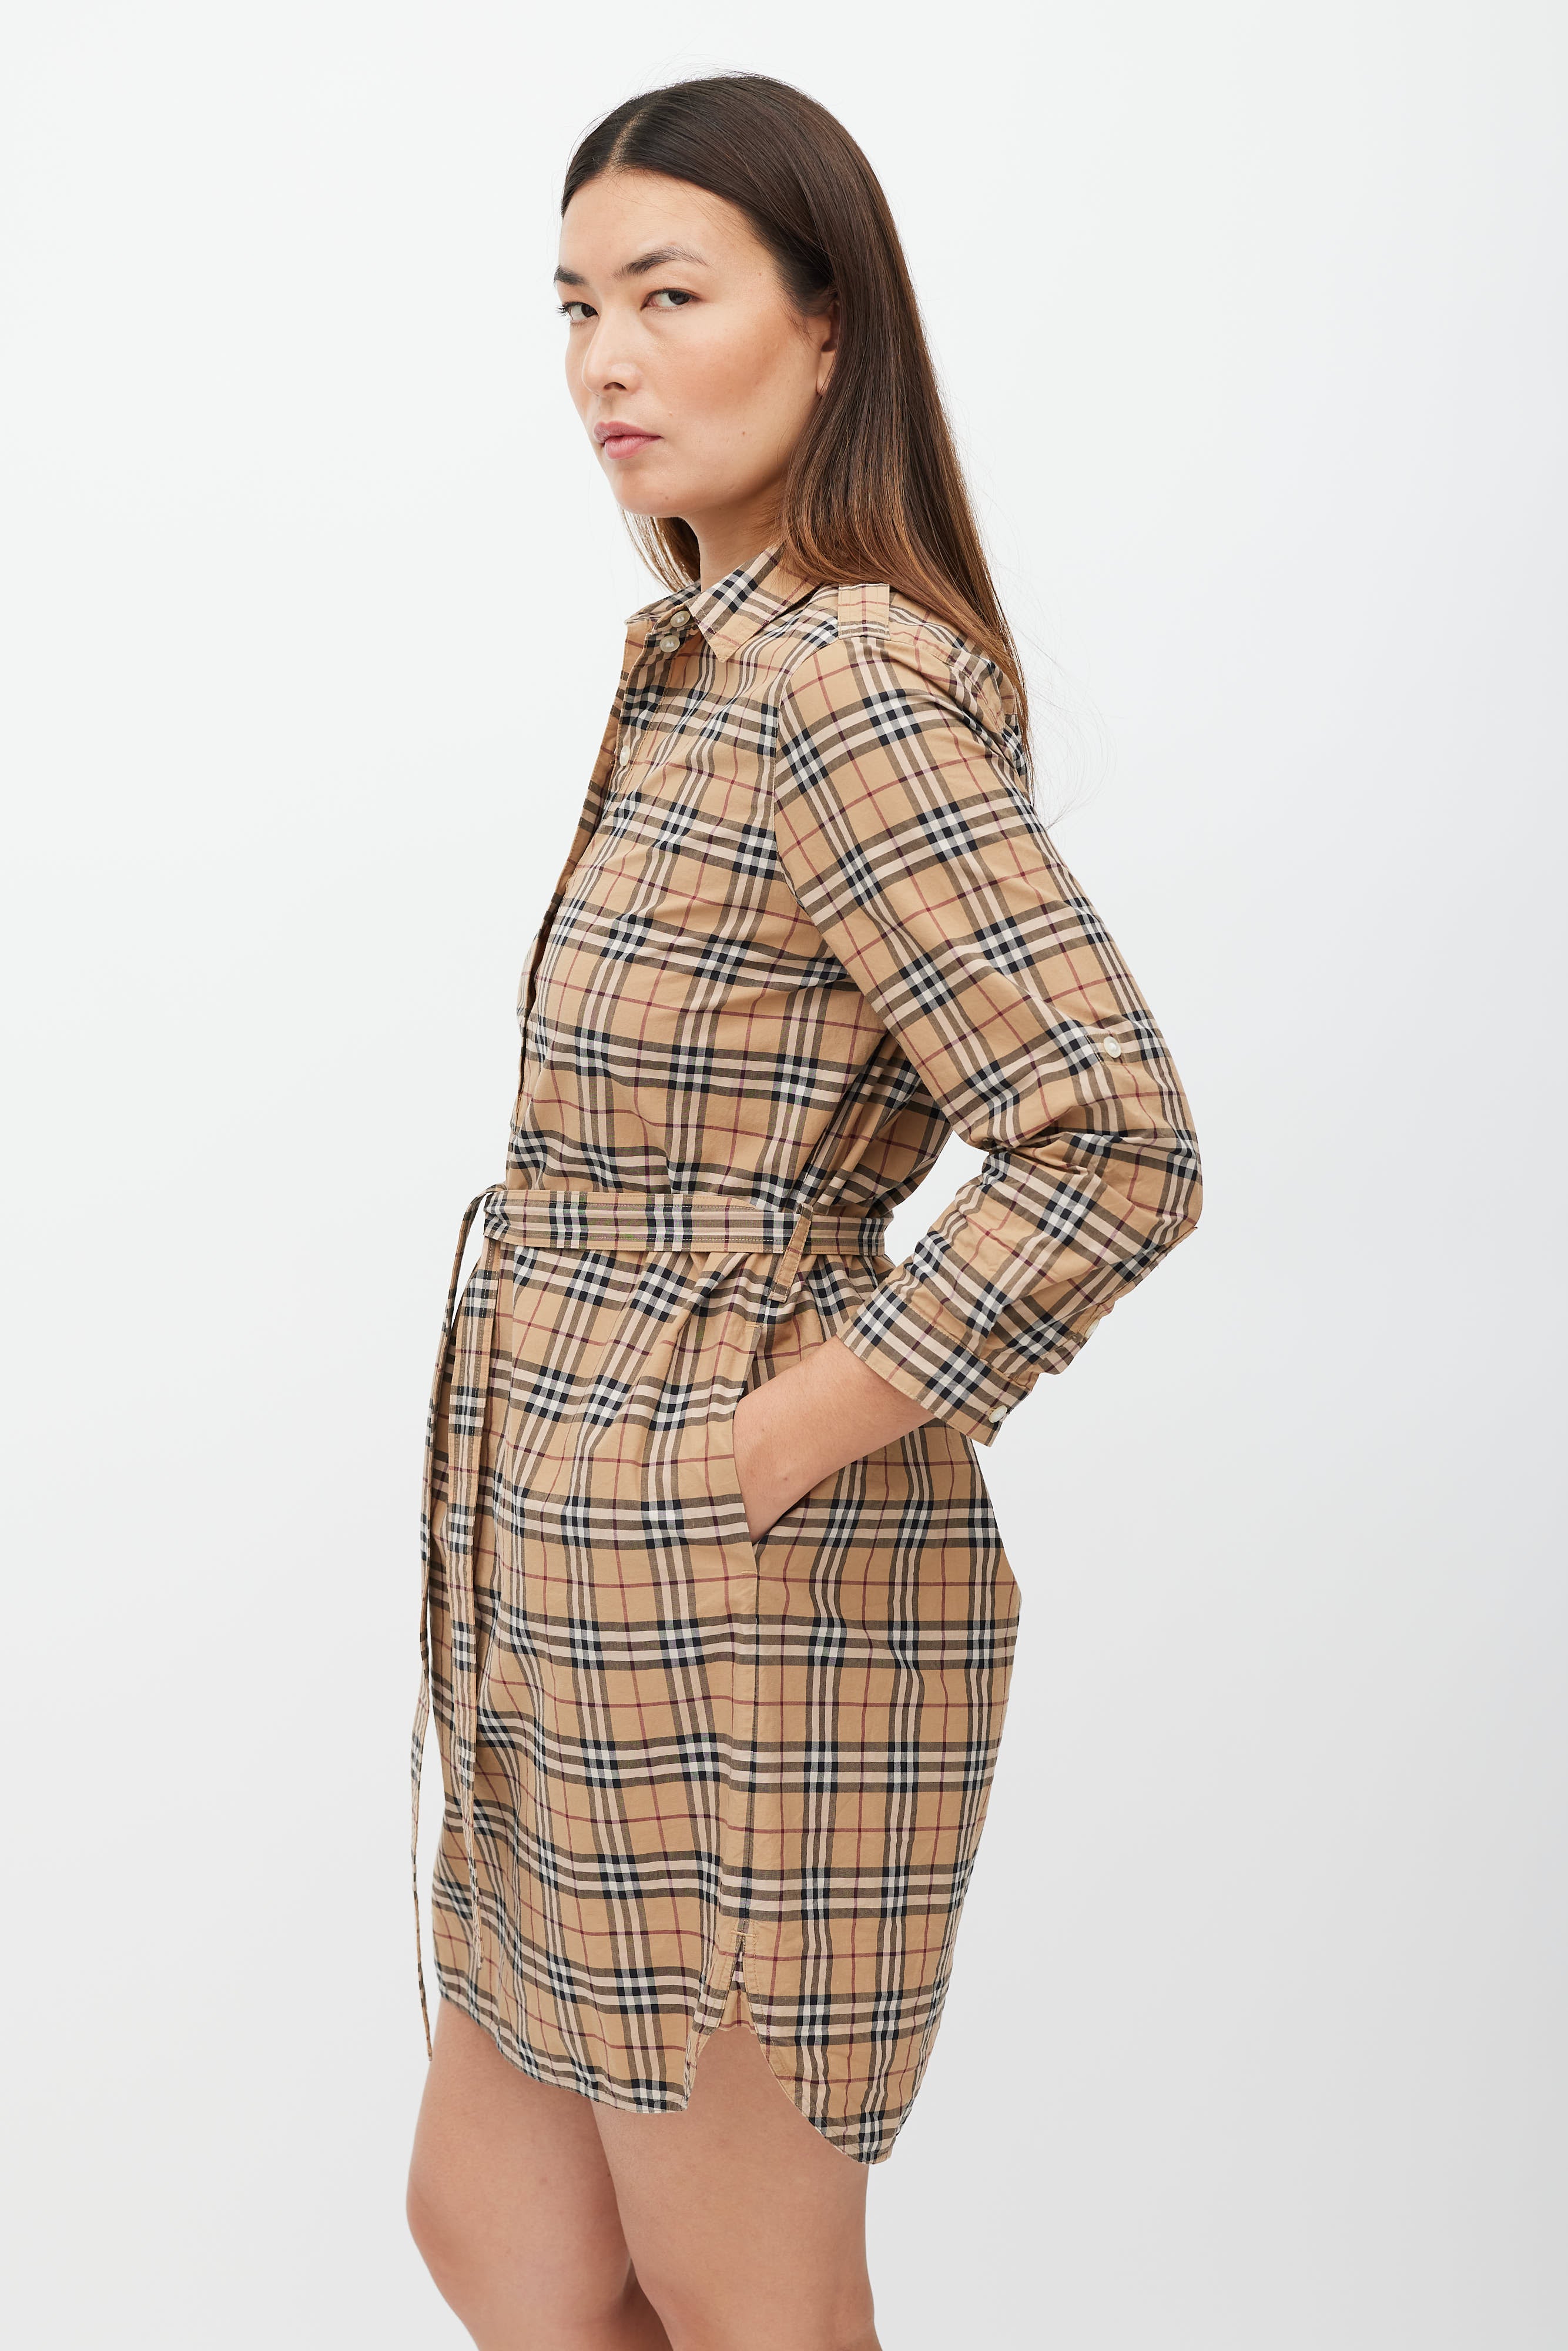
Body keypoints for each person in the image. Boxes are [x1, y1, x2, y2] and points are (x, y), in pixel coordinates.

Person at [405, 71, 1202, 2351]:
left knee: (744, 2291)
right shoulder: (704, 658)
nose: (606, 361)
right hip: (561, 1553)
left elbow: (1109, 1135)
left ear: (828, 325)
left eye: (670, 296)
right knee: (509, 2237)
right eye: (576, 306)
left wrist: (763, 1441)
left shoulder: (844, 675)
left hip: (738, 1590)